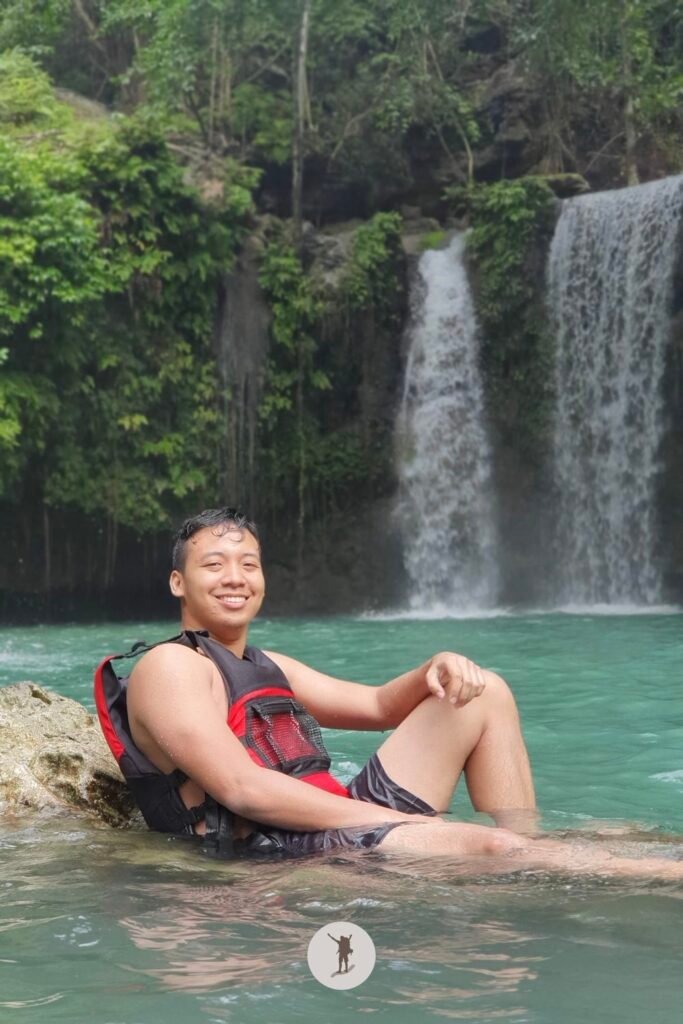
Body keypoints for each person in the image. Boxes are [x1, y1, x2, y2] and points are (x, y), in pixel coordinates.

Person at [96, 507, 683, 878]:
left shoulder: (264, 662)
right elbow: (242, 789)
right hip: (277, 852)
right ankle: (653, 875)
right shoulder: (170, 667)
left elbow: (378, 707)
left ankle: (528, 846)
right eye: (215, 564)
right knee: (493, 852)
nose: (235, 578)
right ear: (179, 582)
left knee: (481, 695)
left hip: (336, 818)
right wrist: (390, 821)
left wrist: (436, 664)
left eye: (249, 564)